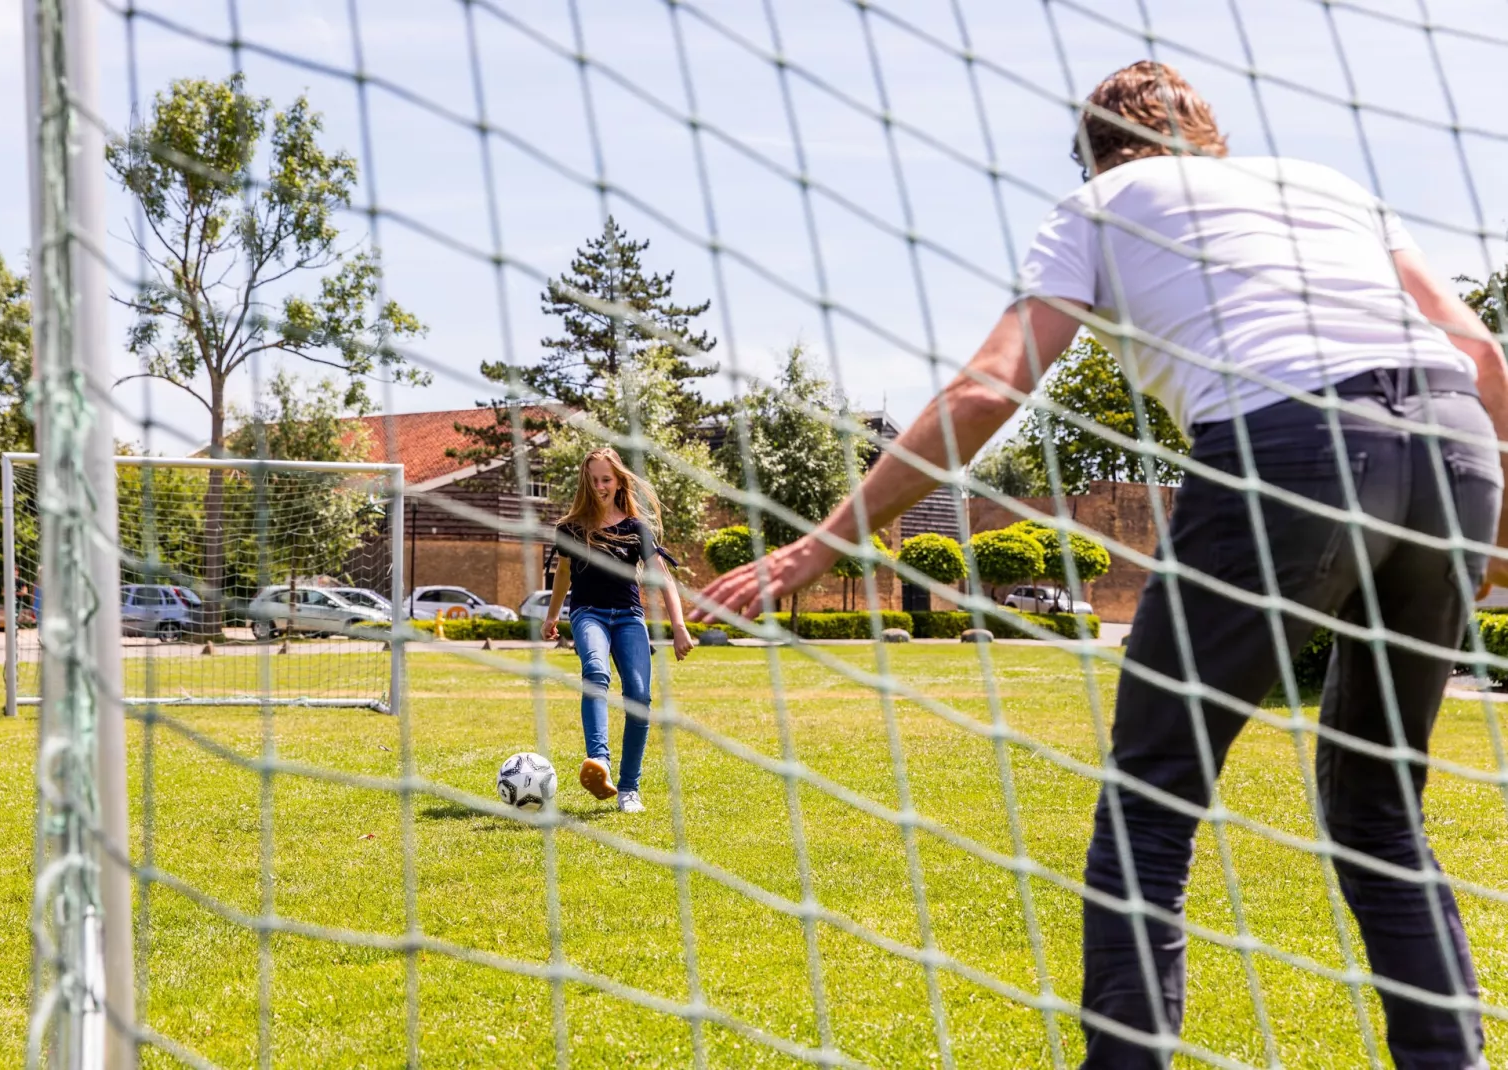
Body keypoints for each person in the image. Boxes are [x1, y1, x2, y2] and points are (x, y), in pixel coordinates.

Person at [693, 60, 1508, 1069]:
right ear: (1207, 135)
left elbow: (991, 390)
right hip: (1454, 445)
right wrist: (1493, 530)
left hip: (1288, 447)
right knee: (1379, 801)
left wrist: (818, 543)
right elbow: (1479, 354)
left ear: (1091, 150)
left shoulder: (1099, 204)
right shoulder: (1323, 183)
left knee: (1150, 796)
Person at [545, 447, 696, 814]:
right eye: (593, 479)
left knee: (639, 698)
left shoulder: (634, 528)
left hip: (629, 616)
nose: (600, 485)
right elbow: (563, 574)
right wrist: (551, 617)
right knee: (595, 672)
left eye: (606, 479)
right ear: (585, 482)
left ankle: (629, 789)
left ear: (617, 482)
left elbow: (664, 580)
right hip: (588, 614)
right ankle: (599, 763)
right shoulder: (570, 529)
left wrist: (678, 627)